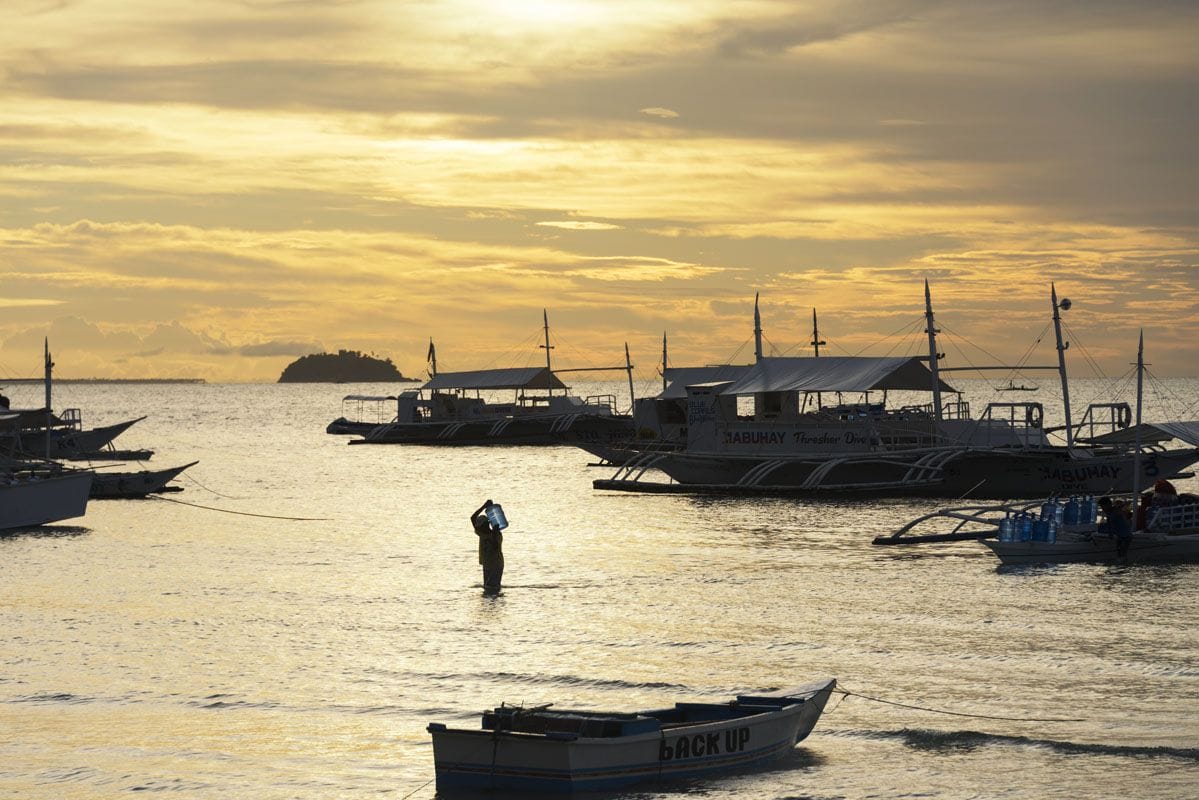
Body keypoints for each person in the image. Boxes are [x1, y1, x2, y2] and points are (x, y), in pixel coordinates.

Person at [471, 499, 503, 594]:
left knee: (493, 588)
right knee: (487, 587)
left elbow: (495, 548)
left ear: (486, 525)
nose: (478, 527)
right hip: (487, 564)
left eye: (480, 526)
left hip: (496, 564)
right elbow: (473, 518)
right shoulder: (481, 533)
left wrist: (495, 532)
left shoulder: (496, 534)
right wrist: (484, 506)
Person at [1097, 496, 1133, 560]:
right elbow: (1109, 524)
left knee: (1122, 554)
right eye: (1101, 507)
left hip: (1126, 536)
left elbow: (1120, 511)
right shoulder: (1109, 512)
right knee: (1119, 553)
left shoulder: (1115, 511)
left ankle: (1123, 562)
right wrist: (1110, 534)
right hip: (1119, 536)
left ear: (1108, 504)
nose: (1102, 509)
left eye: (1103, 506)